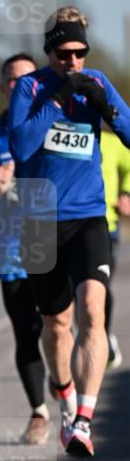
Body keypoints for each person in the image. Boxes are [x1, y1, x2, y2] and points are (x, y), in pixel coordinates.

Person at [8, 7, 130, 457]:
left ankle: (83, 420)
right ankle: (63, 397)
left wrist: (107, 107)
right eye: (65, 53)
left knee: (92, 313)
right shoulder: (30, 87)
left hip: (88, 217)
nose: (74, 61)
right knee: (56, 326)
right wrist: (57, 100)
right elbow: (19, 146)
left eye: (81, 53)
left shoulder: (95, 82)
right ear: (50, 52)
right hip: (39, 221)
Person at [0, 52, 52, 445]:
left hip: (56, 242)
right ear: (5, 87)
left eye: (28, 80)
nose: (21, 87)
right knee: (27, 332)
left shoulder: (57, 121)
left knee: (60, 325)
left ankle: (71, 399)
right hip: (13, 250)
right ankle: (39, 411)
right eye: (13, 81)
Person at [100, 128, 130, 367]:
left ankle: (104, 333)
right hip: (64, 224)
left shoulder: (111, 142)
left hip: (105, 224)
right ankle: (88, 336)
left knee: (100, 286)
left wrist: (126, 193)